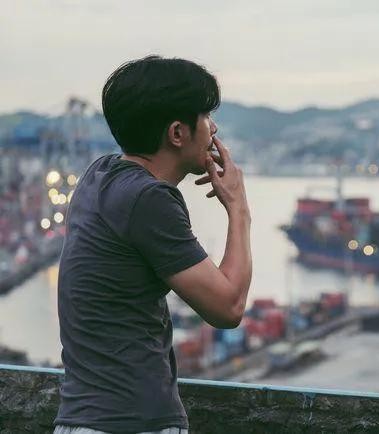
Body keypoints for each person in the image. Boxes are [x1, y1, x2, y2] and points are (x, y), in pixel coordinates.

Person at [54, 56, 252, 434]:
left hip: (80, 418)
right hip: (131, 422)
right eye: (206, 117)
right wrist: (239, 208)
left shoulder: (98, 175)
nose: (214, 128)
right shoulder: (148, 198)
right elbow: (228, 307)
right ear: (177, 133)